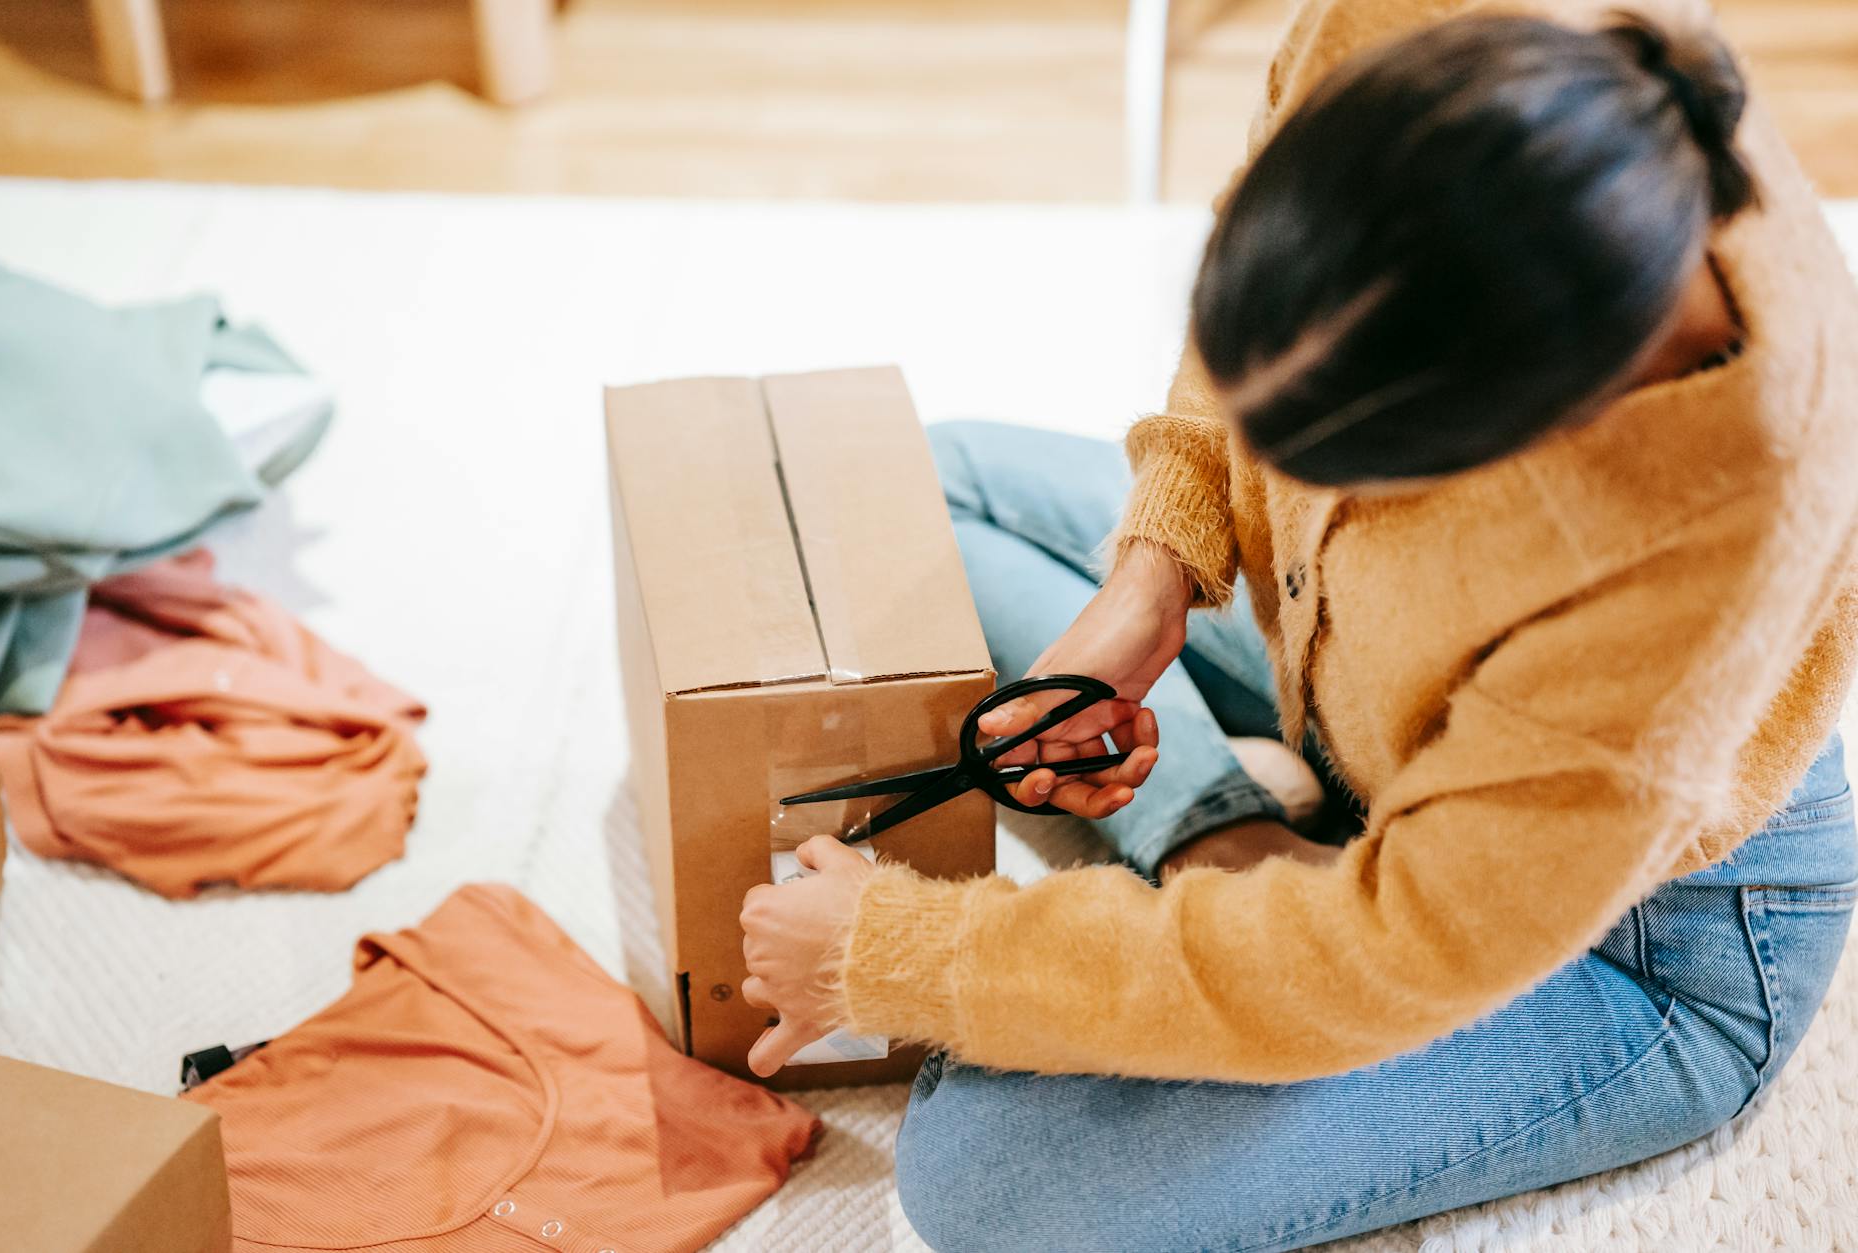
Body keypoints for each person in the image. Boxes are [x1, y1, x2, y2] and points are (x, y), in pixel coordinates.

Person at [739, 0, 1858, 1246]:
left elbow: (1390, 955)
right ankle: (1224, 837)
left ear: (1531, 441)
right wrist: (1155, 573)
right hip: (1370, 694)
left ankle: (1272, 874)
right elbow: (1256, 282)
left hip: (1632, 940)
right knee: (933, 488)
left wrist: (900, 954)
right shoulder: (1413, 26)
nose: (1271, 472)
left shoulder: (1709, 533)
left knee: (980, 1177)